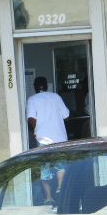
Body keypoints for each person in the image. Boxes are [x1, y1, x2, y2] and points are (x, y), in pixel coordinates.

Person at [27, 76, 70, 205]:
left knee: (45, 170)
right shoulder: (56, 97)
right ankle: (60, 190)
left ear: (35, 87)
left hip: (43, 141)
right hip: (60, 139)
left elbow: (31, 119)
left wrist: (33, 131)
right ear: (47, 86)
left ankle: (49, 198)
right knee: (61, 167)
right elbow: (66, 116)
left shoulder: (32, 99)